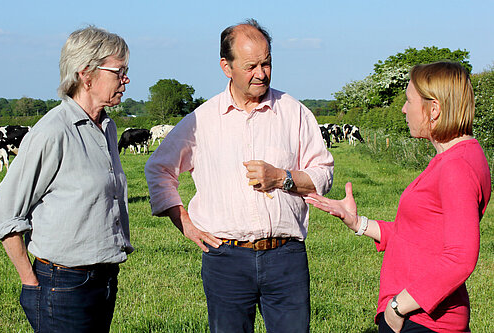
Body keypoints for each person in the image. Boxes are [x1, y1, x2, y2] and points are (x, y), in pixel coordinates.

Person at [145, 19, 334, 332]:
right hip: (226, 259)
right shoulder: (201, 121)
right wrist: (187, 226)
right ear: (226, 66)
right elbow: (158, 169)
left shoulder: (294, 112)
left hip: (285, 256)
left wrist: (282, 178)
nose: (261, 73)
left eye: (267, 63)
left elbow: (323, 173)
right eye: (251, 66)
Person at [306, 62, 491, 333]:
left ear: (434, 110)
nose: (404, 109)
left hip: (425, 321)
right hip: (420, 316)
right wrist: (359, 223)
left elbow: (460, 258)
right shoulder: (455, 157)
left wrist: (398, 307)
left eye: (408, 100)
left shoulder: (456, 166)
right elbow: (418, 237)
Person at [0, 25, 134, 332]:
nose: (126, 80)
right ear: (86, 74)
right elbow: (4, 212)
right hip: (62, 286)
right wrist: (30, 282)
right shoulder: (52, 131)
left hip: (104, 279)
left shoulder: (107, 129)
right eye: (119, 71)